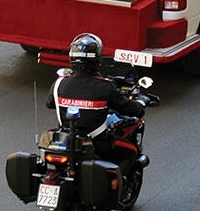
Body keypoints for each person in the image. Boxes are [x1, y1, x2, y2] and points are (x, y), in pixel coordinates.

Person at [45, 33, 148, 166]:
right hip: (97, 144)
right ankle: (118, 184)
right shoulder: (105, 86)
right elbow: (131, 109)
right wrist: (141, 102)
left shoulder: (59, 83)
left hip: (65, 142)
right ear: (97, 60)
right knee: (131, 151)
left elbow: (49, 104)